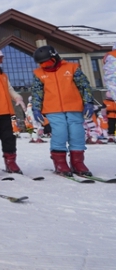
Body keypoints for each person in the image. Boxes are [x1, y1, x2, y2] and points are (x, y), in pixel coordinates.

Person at [31, 45, 96, 176]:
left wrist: (88, 102)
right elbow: (37, 93)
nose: (46, 66)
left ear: (55, 57)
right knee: (60, 133)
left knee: (77, 133)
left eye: (48, 62)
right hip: (53, 109)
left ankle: (77, 162)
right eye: (42, 64)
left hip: (74, 107)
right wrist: (36, 108)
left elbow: (84, 86)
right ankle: (60, 162)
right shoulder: (39, 74)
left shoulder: (72, 68)